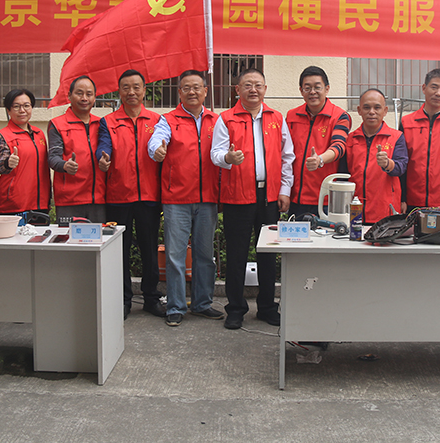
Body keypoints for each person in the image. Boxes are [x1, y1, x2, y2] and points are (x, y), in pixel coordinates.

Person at [211, 68, 294, 330]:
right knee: (236, 255)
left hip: (269, 197)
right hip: (237, 196)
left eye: (258, 85)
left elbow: (287, 156)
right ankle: (236, 309)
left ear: (265, 89)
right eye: (247, 85)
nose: (253, 89)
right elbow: (215, 153)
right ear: (238, 90)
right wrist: (228, 158)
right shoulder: (226, 119)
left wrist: (285, 189)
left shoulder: (276, 118)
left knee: (268, 255)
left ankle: (267, 307)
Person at [148, 70, 224, 326]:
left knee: (205, 255)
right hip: (176, 199)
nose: (192, 92)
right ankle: (176, 306)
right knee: (175, 256)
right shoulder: (168, 120)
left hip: (207, 198)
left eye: (197, 87)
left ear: (205, 91)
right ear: (179, 92)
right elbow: (156, 140)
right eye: (186, 88)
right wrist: (157, 150)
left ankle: (202, 303)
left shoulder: (216, 120)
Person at [96, 70, 166, 319]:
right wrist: (102, 159)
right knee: (120, 252)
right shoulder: (108, 121)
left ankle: (151, 298)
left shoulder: (157, 120)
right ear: (119, 91)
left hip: (149, 196)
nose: (131, 92)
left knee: (149, 250)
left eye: (136, 87)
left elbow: (163, 147)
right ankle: (123, 299)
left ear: (144, 90)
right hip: (118, 196)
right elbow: (103, 146)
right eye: (126, 87)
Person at [287, 66, 352, 217]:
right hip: (296, 197)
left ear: (327, 89)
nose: (312, 92)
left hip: (326, 198)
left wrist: (320, 159)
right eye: (307, 88)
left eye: (317, 87)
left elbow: (339, 146)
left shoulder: (339, 116)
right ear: (301, 90)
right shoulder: (291, 116)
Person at [400, 69, 440, 211]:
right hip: (414, 198)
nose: (438, 93)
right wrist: (402, 197)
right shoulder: (407, 122)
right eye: (434, 87)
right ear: (424, 88)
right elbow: (402, 161)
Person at [48, 76, 107, 223]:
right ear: (69, 96)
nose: (84, 98)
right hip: (69, 200)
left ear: (94, 98)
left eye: (89, 94)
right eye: (79, 93)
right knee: (68, 238)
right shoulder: (57, 124)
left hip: (99, 199)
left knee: (99, 237)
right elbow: (53, 157)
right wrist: (64, 165)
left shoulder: (101, 124)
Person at [344, 89, 408, 224]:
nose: (372, 112)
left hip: (385, 210)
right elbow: (343, 175)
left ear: (385, 111)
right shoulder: (350, 139)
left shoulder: (396, 137)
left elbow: (402, 167)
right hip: (355, 209)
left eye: (377, 107)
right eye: (366, 107)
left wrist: (388, 164)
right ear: (359, 110)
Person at [0, 89, 51, 215]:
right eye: (16, 107)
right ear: (8, 110)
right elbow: (0, 165)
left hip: (40, 202)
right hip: (14, 204)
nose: (22, 110)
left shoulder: (39, 134)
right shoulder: (2, 136)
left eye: (26, 106)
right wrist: (8, 163)